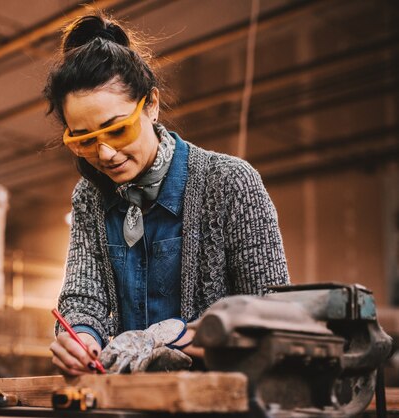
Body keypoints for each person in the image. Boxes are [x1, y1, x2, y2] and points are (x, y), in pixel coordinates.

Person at [45, 13, 290, 376]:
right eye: (84, 140)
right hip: (130, 401)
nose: (106, 154)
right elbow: (84, 296)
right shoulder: (90, 196)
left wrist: (172, 338)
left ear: (152, 105)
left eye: (117, 131)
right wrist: (80, 337)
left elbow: (274, 315)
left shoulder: (229, 183)